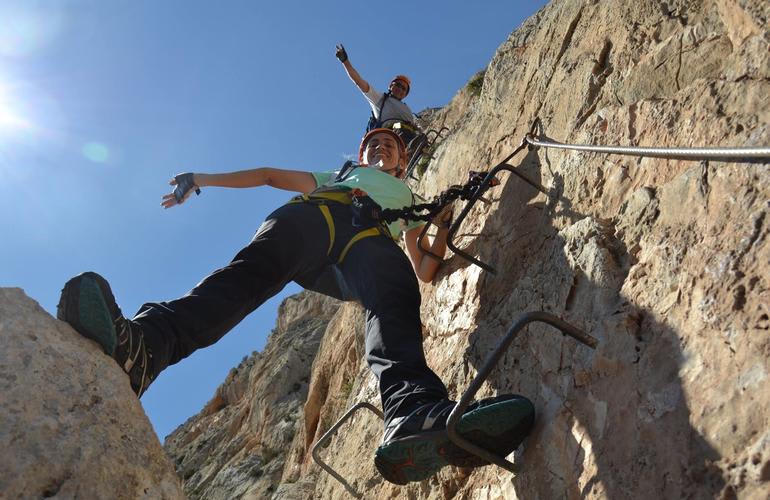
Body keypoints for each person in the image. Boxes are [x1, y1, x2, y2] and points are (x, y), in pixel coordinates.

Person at [57, 128, 535, 485]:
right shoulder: (342, 174)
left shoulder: (409, 197)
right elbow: (268, 176)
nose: (380, 148)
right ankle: (143, 347)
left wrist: (441, 225)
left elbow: (425, 267)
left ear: (403, 158)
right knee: (246, 278)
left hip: (366, 243)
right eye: (373, 143)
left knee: (395, 294)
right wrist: (200, 179)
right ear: (363, 152)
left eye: (389, 145)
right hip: (317, 216)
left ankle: (413, 413)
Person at [335, 44, 421, 144]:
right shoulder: (379, 98)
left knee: (413, 132)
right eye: (397, 85)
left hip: (408, 133)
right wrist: (345, 61)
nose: (400, 89)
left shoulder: (407, 110)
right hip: (390, 132)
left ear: (405, 94)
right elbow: (358, 80)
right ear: (390, 86)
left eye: (403, 88)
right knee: (399, 127)